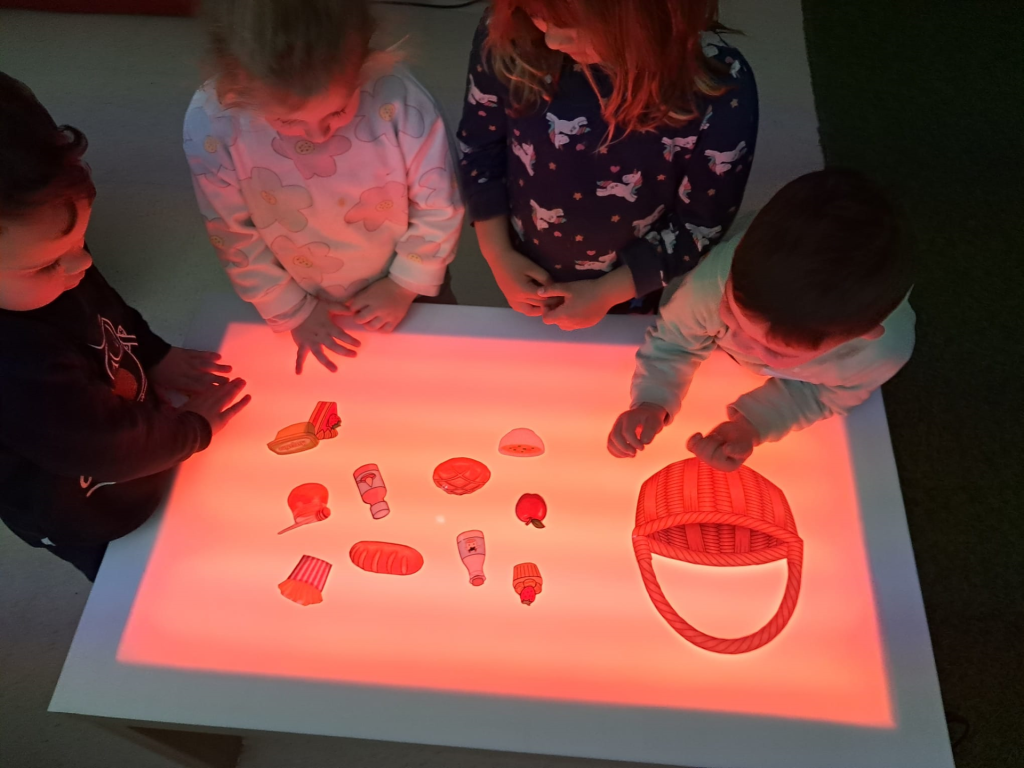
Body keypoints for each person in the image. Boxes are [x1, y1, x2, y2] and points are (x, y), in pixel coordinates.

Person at [0, 73, 251, 581]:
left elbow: (106, 308)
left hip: (134, 441)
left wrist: (153, 355)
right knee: (132, 583)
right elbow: (102, 447)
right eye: (47, 265)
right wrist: (194, 429)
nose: (82, 264)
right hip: (81, 507)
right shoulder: (15, 366)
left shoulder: (47, 259)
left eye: (81, 241)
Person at [186, 0, 464, 374]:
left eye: (337, 111)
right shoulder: (214, 122)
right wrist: (292, 309)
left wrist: (403, 285)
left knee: (436, 369)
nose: (318, 136)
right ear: (239, 83)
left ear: (364, 62)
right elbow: (233, 234)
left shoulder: (398, 98)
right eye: (288, 121)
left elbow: (438, 203)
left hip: (410, 278)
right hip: (300, 286)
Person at [457, 0, 758, 330]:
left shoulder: (720, 84)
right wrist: (498, 253)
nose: (552, 40)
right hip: (523, 259)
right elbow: (480, 148)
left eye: (574, 24)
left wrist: (607, 292)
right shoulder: (508, 32)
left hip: (634, 282)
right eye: (538, 15)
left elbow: (701, 223)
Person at [608, 169, 916, 471]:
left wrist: (752, 425)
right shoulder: (711, 285)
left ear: (858, 336)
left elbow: (822, 395)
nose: (740, 344)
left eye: (776, 351)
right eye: (731, 314)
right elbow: (675, 340)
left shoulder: (877, 355)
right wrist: (652, 400)